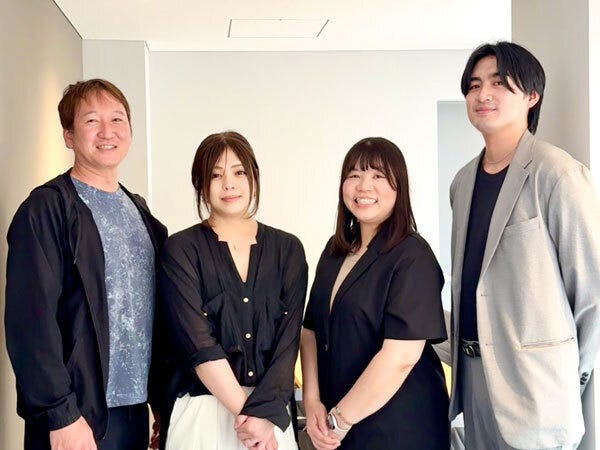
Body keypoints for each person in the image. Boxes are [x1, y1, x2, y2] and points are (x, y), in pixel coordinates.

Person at [449, 41, 600, 450]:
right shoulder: (463, 182)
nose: (483, 94)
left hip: (538, 390)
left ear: (531, 96)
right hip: (473, 378)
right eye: (474, 85)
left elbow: (592, 294)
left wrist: (566, 379)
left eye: (499, 83)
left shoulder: (558, 173)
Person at [5, 79, 168, 450]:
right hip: (77, 415)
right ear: (69, 135)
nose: (107, 131)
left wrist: (161, 403)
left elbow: (153, 315)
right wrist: (60, 414)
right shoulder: (47, 208)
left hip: (133, 411)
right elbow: (30, 322)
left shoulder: (140, 212)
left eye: (117, 119)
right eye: (92, 121)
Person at [158, 131, 307, 450]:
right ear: (200, 183)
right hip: (204, 414)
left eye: (239, 172)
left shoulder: (288, 249)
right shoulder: (180, 250)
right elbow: (199, 344)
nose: (229, 184)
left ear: (254, 177)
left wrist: (262, 419)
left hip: (271, 418)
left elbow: (288, 344)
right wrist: (249, 419)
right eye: (216, 175)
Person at [301, 137, 449, 450]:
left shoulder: (413, 256)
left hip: (399, 425)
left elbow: (401, 358)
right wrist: (312, 401)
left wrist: (340, 420)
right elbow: (311, 330)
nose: (364, 186)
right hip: (338, 419)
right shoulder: (335, 250)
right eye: (354, 175)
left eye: (378, 176)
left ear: (399, 186)